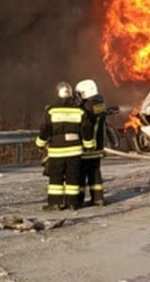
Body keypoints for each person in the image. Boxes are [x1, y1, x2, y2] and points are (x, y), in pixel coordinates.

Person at [36, 81, 94, 211]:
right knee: (73, 177)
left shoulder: (51, 110)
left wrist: (40, 144)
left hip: (57, 151)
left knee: (56, 178)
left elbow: (45, 129)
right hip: (74, 151)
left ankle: (55, 203)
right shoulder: (79, 110)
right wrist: (88, 145)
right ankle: (73, 203)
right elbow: (86, 129)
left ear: (57, 93)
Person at [76, 79, 107, 207]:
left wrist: (87, 143)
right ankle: (97, 198)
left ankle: (79, 199)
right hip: (98, 145)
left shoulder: (87, 107)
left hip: (88, 146)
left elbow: (86, 126)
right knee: (95, 171)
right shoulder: (100, 104)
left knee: (81, 172)